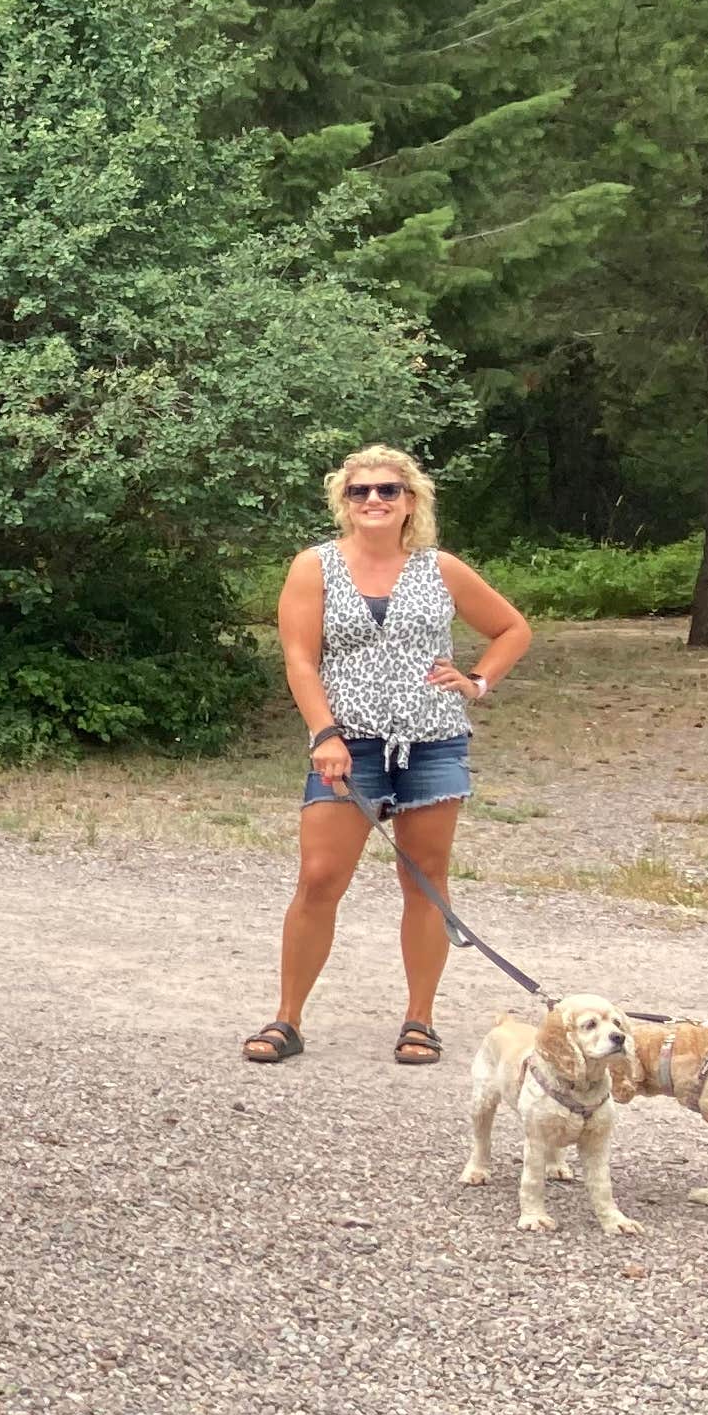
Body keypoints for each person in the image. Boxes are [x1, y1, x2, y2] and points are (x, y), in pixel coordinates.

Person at [244, 446, 533, 1069]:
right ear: (343, 501)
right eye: (360, 491)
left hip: (433, 741)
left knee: (425, 881)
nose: (373, 500)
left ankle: (419, 1020)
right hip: (349, 744)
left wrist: (477, 681)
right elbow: (300, 659)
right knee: (320, 878)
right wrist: (324, 734)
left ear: (410, 501)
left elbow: (513, 629)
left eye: (387, 490)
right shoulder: (314, 566)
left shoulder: (440, 568)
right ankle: (287, 1018)